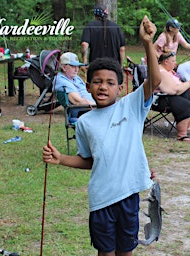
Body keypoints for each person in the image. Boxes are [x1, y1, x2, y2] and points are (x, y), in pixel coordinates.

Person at [42, 16, 161, 256]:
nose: (103, 87)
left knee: (126, 250)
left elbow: (155, 80)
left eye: (110, 82)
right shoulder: (84, 122)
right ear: (87, 87)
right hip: (100, 201)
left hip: (128, 198)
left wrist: (148, 43)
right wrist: (61, 159)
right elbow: (89, 160)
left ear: (120, 87)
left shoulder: (132, 106)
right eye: (97, 82)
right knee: (105, 252)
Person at [81, 4, 126, 70]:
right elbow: (122, 49)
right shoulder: (116, 27)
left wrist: (84, 64)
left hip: (96, 66)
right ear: (106, 13)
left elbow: (84, 44)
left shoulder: (90, 26)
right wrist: (120, 66)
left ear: (95, 15)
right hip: (113, 67)